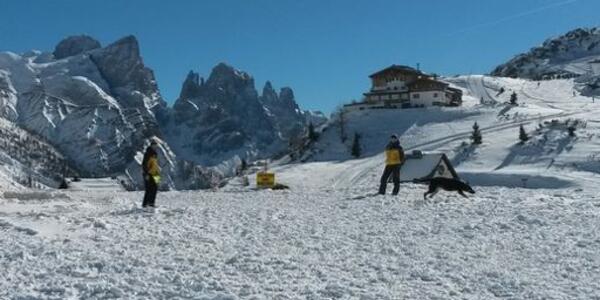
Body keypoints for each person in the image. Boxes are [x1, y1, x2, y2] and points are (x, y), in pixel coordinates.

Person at [142, 140, 161, 208]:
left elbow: (155, 166)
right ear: (151, 145)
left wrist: (158, 176)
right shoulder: (148, 153)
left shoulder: (154, 154)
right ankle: (145, 204)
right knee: (149, 189)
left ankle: (151, 203)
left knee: (154, 188)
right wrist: (146, 173)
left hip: (154, 173)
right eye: (154, 145)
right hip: (149, 174)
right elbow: (144, 164)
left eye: (156, 145)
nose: (155, 146)